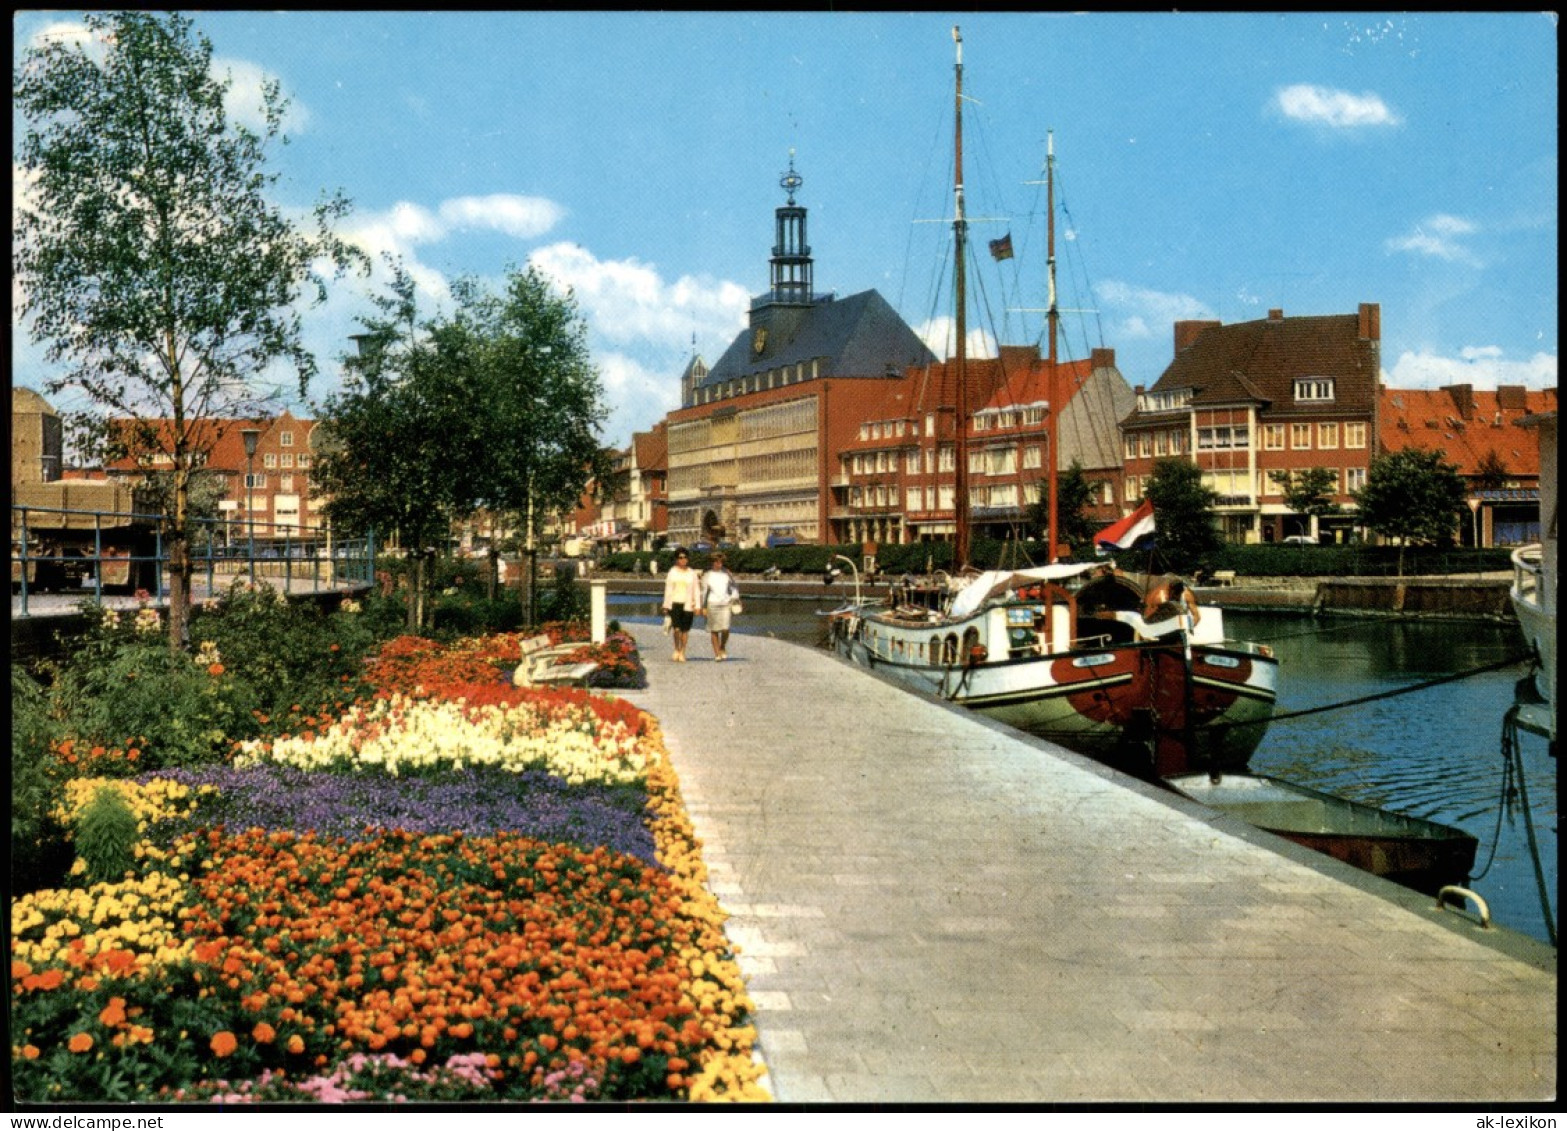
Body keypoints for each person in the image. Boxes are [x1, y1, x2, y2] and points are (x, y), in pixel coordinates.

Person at [699, 552, 741, 661]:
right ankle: (717, 653)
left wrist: (736, 599)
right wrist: (703, 607)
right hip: (712, 603)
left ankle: (722, 646)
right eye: (717, 562)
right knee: (714, 630)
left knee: (725, 628)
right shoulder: (707, 575)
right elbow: (703, 592)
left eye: (721, 562)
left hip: (725, 603)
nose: (719, 564)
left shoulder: (727, 574)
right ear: (712, 563)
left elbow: (734, 587)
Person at [660, 548, 700, 662]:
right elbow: (668, 589)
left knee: (685, 630)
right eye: (680, 558)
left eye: (685, 557)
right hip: (675, 603)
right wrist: (665, 605)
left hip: (688, 604)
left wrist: (698, 606)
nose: (683, 560)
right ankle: (676, 649)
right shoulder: (672, 572)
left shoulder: (692, 573)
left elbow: (696, 590)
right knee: (677, 629)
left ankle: (682, 651)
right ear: (677, 559)